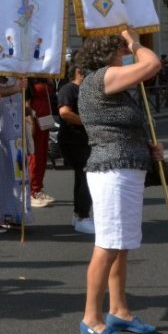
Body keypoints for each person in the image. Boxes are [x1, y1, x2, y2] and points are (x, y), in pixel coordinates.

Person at [75, 29, 164, 334]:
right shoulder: (103, 76)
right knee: (108, 245)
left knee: (121, 245)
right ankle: (91, 318)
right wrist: (136, 42)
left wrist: (146, 147)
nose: (126, 53)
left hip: (125, 166)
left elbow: (120, 123)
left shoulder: (109, 79)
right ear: (109, 53)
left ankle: (119, 310)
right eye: (122, 49)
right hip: (111, 170)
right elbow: (152, 63)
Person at [0, 74, 30, 229]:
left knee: (19, 176)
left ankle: (17, 214)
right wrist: (15, 88)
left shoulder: (15, 79)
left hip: (17, 141)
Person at [57, 63, 94, 234]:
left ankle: (79, 214)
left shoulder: (85, 89)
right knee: (86, 178)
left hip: (83, 140)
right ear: (78, 71)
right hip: (74, 140)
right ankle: (83, 217)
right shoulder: (69, 89)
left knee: (82, 178)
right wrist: (87, 122)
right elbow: (64, 112)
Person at [28, 76, 56, 207]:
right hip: (35, 119)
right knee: (35, 156)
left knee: (43, 155)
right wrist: (30, 122)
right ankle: (32, 191)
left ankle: (38, 188)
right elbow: (26, 101)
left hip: (45, 120)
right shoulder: (29, 77)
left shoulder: (45, 77)